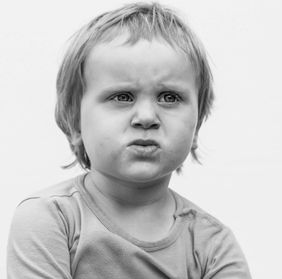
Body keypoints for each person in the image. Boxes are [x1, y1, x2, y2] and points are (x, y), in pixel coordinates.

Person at [6, 2, 251, 278]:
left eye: (169, 97)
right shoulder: (51, 219)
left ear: (197, 125)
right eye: (122, 97)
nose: (146, 117)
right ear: (75, 121)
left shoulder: (213, 247)